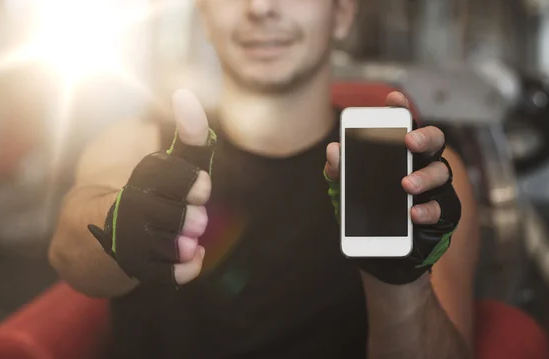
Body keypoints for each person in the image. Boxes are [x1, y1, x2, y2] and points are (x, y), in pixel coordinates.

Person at [48, 1, 480, 358]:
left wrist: (400, 285)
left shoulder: (416, 175)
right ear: (204, 15)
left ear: (343, 13)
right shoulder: (137, 142)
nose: (261, 8)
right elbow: (69, 249)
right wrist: (123, 219)